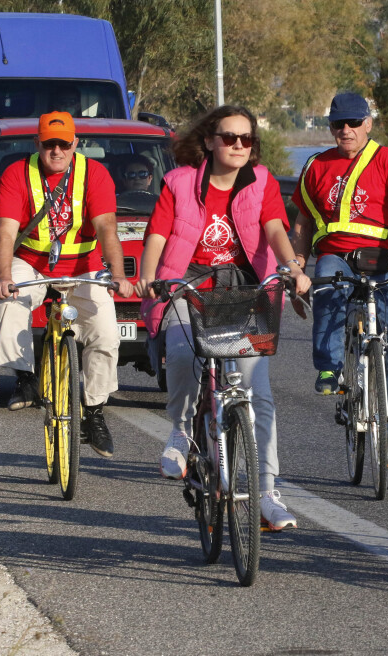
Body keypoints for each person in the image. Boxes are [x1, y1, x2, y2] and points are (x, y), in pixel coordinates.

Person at [135, 105, 312, 531]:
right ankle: (180, 433)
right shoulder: (179, 183)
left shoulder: (262, 182)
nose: (237, 145)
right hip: (189, 286)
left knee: (258, 393)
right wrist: (146, 277)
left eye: (246, 139)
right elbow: (158, 233)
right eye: (229, 137)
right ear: (210, 141)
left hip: (245, 292)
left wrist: (292, 267)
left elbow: (274, 229)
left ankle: (268, 493)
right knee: (180, 353)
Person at [290, 92, 388, 479]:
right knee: (329, 290)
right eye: (338, 124)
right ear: (330, 126)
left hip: (382, 260)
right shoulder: (316, 165)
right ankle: (330, 367)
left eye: (353, 123)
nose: (346, 130)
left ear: (368, 123)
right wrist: (298, 266)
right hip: (336, 253)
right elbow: (301, 223)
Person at [0, 111, 135, 458]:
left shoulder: (94, 173)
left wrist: (118, 276)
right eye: (49, 144)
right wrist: (4, 276)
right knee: (10, 303)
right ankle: (25, 378)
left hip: (84, 267)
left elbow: (107, 229)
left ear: (76, 143)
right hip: (32, 262)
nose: (57, 150)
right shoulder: (16, 173)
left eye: (64, 144)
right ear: (37, 143)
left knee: (105, 331)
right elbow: (6, 233)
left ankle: (95, 412)